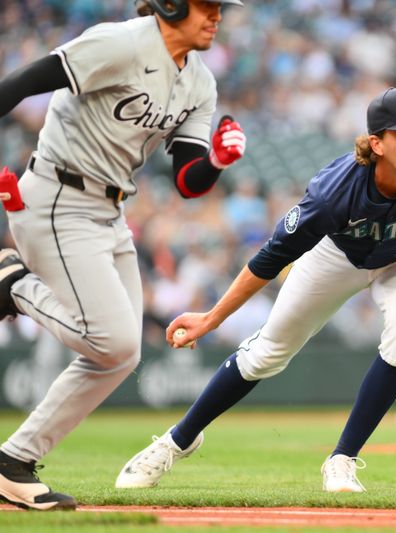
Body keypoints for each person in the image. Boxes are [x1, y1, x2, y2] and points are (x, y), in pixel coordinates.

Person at [115, 87, 396, 493]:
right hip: (338, 254)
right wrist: (211, 319)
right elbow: (269, 259)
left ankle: (343, 458)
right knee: (268, 352)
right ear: (377, 143)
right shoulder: (334, 194)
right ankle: (177, 441)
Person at [0, 0, 246, 510]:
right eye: (205, 5)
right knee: (110, 343)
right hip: (56, 196)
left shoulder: (200, 81)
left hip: (111, 212)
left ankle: (13, 462)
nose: (216, 15)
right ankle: (14, 287)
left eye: (220, 6)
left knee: (121, 353)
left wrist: (217, 161)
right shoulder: (121, 41)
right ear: (171, 4)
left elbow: (186, 179)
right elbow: (26, 80)